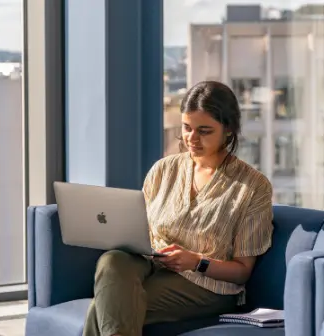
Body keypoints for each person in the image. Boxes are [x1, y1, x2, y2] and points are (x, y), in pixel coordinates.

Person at [82, 80, 274, 336]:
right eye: (186, 128)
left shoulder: (252, 187)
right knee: (112, 260)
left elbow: (241, 272)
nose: (191, 139)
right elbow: (143, 229)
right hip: (152, 264)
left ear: (228, 130)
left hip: (208, 285)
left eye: (204, 131)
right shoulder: (163, 169)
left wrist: (196, 261)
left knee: (105, 307)